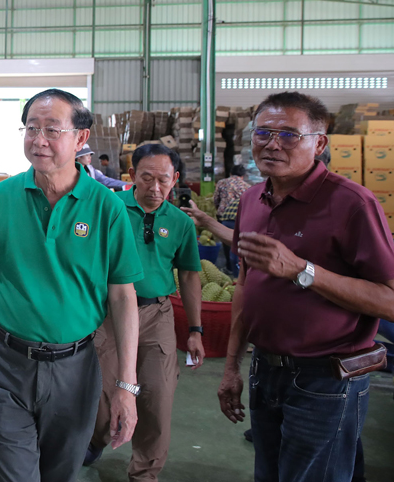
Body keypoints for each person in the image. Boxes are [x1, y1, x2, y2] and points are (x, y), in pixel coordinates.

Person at [0, 88, 144, 482]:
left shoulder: (107, 208)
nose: (39, 140)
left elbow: (123, 296)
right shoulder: (0, 199)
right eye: (31, 128)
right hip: (4, 364)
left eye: (52, 130)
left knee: (61, 473)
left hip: (76, 369)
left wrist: (127, 385)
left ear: (80, 138)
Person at [217, 91, 394, 482]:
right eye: (263, 132)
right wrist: (232, 367)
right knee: (271, 473)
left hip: (326, 379)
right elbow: (246, 286)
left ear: (319, 142)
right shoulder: (252, 200)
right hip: (266, 370)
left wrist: (302, 270)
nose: (272, 144)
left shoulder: (352, 204)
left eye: (288, 135)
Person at [85, 143, 206, 480]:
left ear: (175, 179)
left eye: (164, 180)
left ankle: (144, 474)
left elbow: (189, 274)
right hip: (107, 315)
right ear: (131, 176)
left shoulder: (180, 222)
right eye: (147, 178)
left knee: (156, 398)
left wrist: (195, 330)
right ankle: (95, 438)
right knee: (102, 398)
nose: (155, 188)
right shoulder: (109, 208)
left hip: (156, 316)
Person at [214, 164, 251, 275]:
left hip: (224, 215)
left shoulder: (222, 182)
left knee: (226, 242)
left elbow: (216, 199)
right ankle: (239, 270)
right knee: (238, 244)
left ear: (230, 173)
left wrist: (218, 209)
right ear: (243, 176)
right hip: (242, 217)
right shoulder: (247, 186)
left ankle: (229, 267)